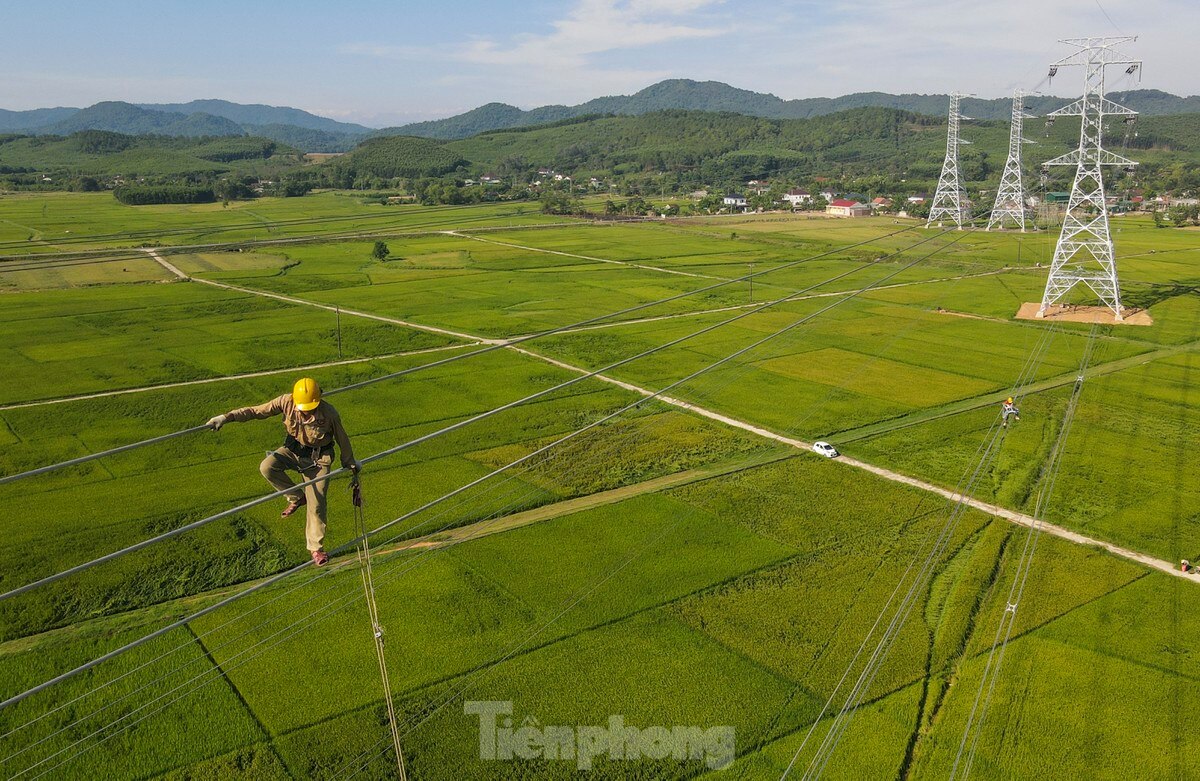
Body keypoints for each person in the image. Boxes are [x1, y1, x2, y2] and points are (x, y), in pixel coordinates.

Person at [206, 378, 359, 566]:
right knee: (267, 467)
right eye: (303, 407)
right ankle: (296, 496)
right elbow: (256, 411)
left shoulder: (329, 414)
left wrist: (350, 463)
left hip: (318, 460)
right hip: (293, 451)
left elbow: (342, 439)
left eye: (310, 407)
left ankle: (316, 549)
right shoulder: (285, 402)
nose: (305, 411)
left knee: (317, 503)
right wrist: (226, 417)